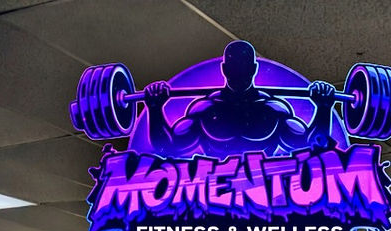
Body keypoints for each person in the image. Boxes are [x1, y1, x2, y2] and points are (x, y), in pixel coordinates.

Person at [143, 39, 338, 157]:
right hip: (212, 201)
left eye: (244, 68)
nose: (239, 73)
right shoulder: (205, 108)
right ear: (225, 69)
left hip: (266, 202)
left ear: (253, 69)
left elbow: (310, 145)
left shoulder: (272, 109)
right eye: (234, 68)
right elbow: (166, 147)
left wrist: (323, 108)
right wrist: (154, 108)